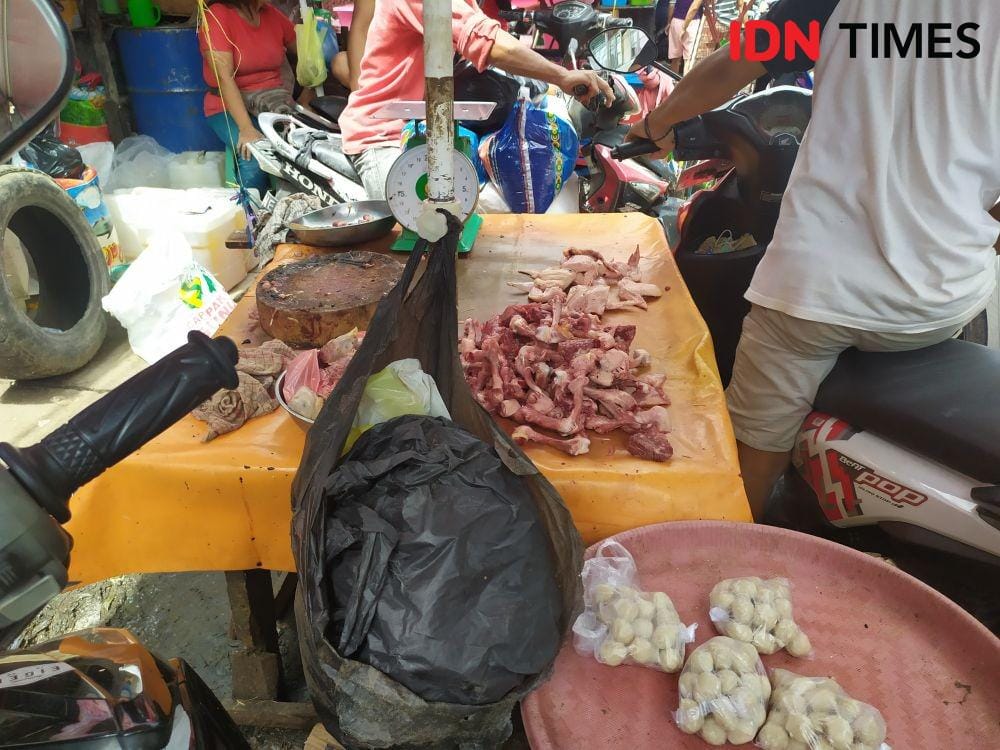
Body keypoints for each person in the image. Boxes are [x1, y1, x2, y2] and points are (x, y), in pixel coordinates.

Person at [627, 0, 1000, 519]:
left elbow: (736, 63)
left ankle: (733, 537)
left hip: (813, 295)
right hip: (944, 302)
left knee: (753, 446)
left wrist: (657, 122)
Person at [339, 0, 613, 200]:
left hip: (428, 126)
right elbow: (486, 41)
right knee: (422, 226)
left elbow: (488, 47)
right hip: (381, 136)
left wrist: (551, 83)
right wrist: (561, 76)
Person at [200, 0, 298, 192]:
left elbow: (308, 53)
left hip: (272, 102)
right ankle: (248, 209)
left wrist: (307, 95)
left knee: (301, 152)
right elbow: (224, 78)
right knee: (254, 157)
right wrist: (246, 129)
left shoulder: (271, 14)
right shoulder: (217, 15)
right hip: (226, 106)